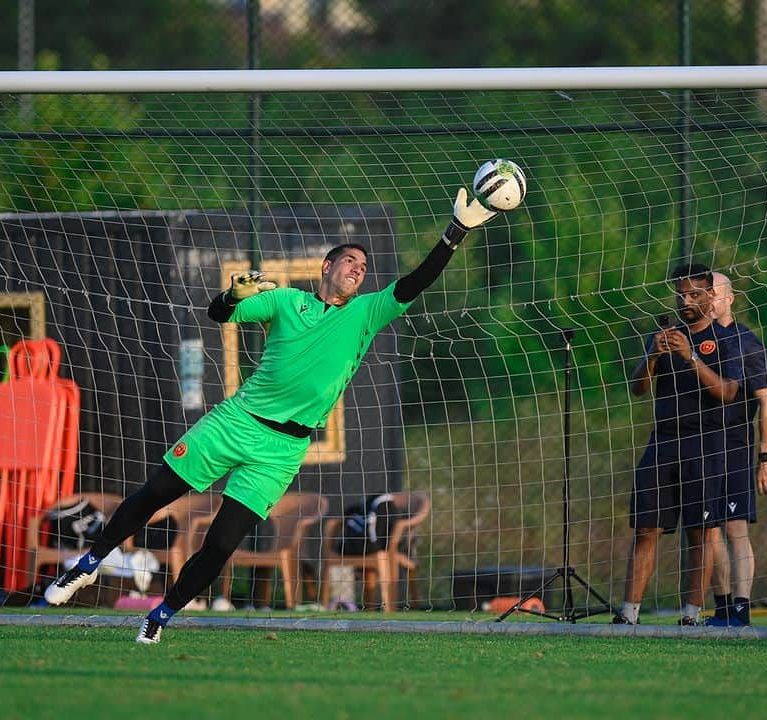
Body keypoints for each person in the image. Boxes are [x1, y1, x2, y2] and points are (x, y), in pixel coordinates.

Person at [43, 188, 499, 643]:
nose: (358, 271)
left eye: (363, 268)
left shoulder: (365, 313)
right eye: (350, 262)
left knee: (222, 543)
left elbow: (415, 281)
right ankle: (86, 566)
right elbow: (219, 313)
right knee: (156, 492)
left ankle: (159, 617)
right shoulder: (285, 302)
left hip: (282, 450)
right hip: (237, 421)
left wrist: (455, 232)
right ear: (327, 265)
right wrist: (229, 294)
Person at [615, 263, 742, 626]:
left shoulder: (728, 340)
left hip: (706, 445)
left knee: (700, 532)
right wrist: (653, 356)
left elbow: (728, 392)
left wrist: (691, 357)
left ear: (710, 296)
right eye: (681, 294)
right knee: (645, 529)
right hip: (663, 444)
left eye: (694, 294)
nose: (685, 300)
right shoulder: (663, 337)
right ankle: (629, 614)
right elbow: (638, 388)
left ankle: (690, 616)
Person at [705, 272, 767, 627]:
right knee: (708, 528)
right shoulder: (693, 338)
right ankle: (720, 608)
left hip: (735, 443)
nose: (710, 300)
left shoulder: (747, 343)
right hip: (698, 444)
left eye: (715, 294)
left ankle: (741, 608)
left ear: (730, 298)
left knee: (736, 527)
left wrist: (766, 456)